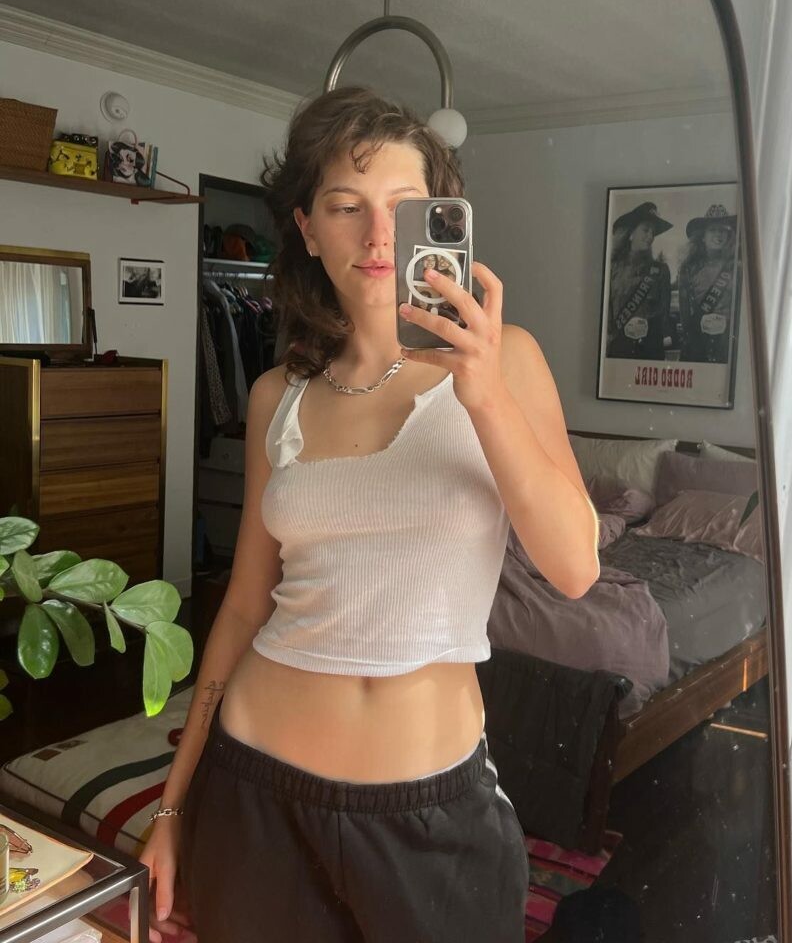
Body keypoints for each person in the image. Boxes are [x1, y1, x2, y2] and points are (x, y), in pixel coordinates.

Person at [139, 86, 600, 943]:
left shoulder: (508, 362)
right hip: (255, 791)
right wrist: (172, 807)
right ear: (309, 229)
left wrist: (484, 395)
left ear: (443, 219)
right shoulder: (277, 395)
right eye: (346, 207)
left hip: (430, 810)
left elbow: (574, 567)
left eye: (404, 206)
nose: (379, 235)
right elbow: (243, 607)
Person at [605, 202, 673, 360]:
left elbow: (664, 315)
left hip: (650, 350)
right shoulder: (612, 268)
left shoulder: (660, 271)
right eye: (645, 230)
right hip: (619, 350)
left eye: (653, 232)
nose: (650, 237)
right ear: (630, 234)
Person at [676, 203, 739, 364]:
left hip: (726, 346)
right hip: (697, 346)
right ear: (702, 236)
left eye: (723, 230)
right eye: (713, 230)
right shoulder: (688, 268)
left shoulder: (737, 267)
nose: (718, 235)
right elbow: (685, 316)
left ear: (729, 235)